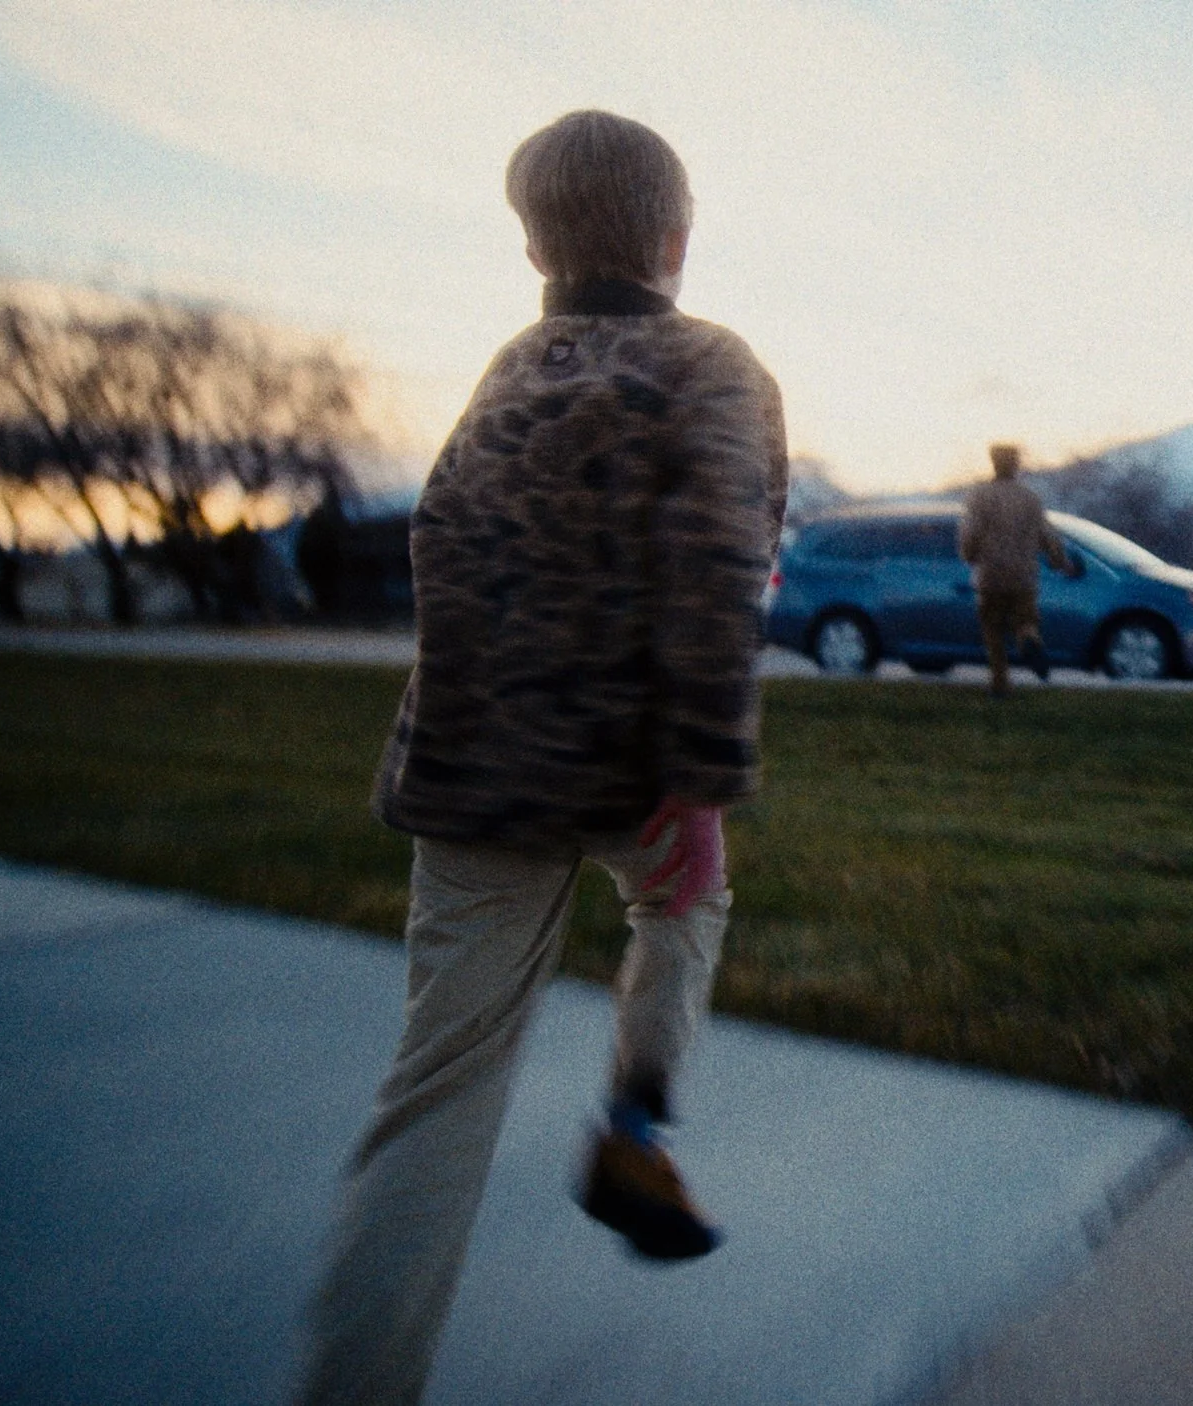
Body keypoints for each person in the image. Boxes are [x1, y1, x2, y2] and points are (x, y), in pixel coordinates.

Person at [298, 109, 788, 1406]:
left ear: (530, 243)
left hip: (471, 769)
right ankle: (633, 1127)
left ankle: (351, 1384)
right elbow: (719, 564)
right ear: (678, 237)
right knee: (687, 901)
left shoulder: (508, 368)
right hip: (628, 764)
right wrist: (699, 773)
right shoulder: (713, 366)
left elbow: (443, 542)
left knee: (435, 1095)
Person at [958, 442, 1079, 697]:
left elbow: (970, 534)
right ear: (1016, 465)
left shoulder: (979, 497)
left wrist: (969, 555)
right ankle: (1029, 640)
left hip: (990, 576)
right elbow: (1047, 536)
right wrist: (1060, 562)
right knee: (1025, 621)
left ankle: (1000, 685)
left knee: (993, 632)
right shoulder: (1030, 498)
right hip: (1024, 576)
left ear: (993, 463)